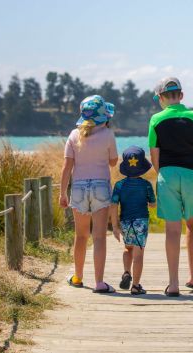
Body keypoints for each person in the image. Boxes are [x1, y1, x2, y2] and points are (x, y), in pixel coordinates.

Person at [148, 77, 193, 297]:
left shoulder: (156, 119)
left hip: (168, 174)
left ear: (161, 98)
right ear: (181, 96)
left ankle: (173, 284)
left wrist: (163, 174)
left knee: (172, 230)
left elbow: (154, 154)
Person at [59, 95, 118, 293]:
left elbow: (67, 167)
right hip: (101, 186)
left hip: (78, 188)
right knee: (99, 236)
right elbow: (112, 161)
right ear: (104, 115)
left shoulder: (74, 135)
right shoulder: (108, 134)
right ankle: (100, 282)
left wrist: (62, 193)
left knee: (81, 236)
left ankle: (78, 277)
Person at [109, 146, 156, 295]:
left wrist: (115, 226)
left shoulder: (119, 185)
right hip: (141, 221)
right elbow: (153, 204)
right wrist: (150, 203)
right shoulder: (146, 185)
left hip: (125, 221)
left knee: (127, 248)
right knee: (139, 254)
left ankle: (126, 272)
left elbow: (114, 205)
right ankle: (135, 285)